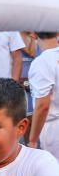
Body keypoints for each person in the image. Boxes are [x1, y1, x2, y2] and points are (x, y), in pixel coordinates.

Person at [28, 32, 59, 160]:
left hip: (54, 129)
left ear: (34, 34)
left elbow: (42, 106)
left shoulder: (42, 62)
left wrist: (32, 140)